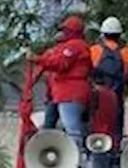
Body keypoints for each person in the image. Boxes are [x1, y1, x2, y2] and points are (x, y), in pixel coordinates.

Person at [31, 15, 92, 148]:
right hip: (63, 95)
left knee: (72, 130)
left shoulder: (74, 46)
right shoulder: (74, 47)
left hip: (70, 94)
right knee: (67, 127)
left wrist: (36, 59)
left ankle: (76, 158)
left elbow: (60, 64)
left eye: (65, 30)